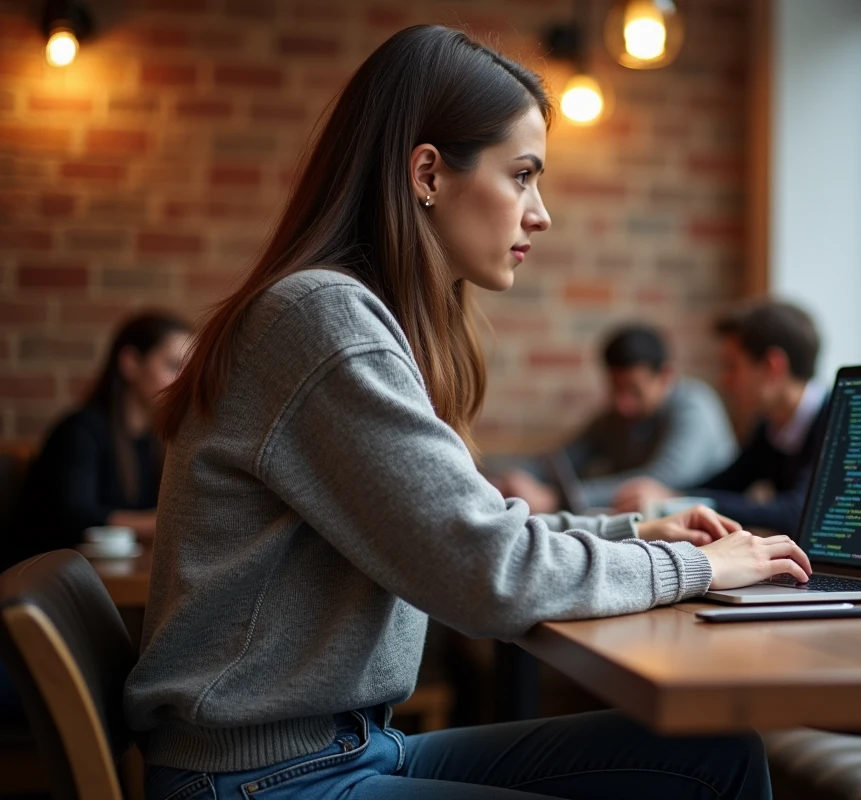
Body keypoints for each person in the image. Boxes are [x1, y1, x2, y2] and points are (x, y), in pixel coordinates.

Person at [126, 26, 810, 800]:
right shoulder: (322, 320)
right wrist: (695, 567)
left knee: (712, 759)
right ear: (427, 174)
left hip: (347, 752)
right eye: (522, 175)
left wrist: (634, 533)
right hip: (268, 780)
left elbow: (475, 535)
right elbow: (489, 574)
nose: (540, 213)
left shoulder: (341, 316)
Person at [613, 301, 828, 535]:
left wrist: (674, 499)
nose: (725, 380)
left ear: (772, 367)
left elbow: (798, 513)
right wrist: (674, 497)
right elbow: (729, 483)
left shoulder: (833, 423)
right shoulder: (770, 427)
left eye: (732, 366)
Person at [8, 312, 191, 564]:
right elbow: (77, 516)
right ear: (131, 363)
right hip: (49, 583)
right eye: (173, 366)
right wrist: (165, 523)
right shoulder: (79, 431)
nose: (184, 380)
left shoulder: (154, 441)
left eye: (188, 369)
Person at [498, 324, 736, 513]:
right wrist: (514, 476)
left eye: (635, 391)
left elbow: (659, 480)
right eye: (615, 388)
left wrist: (557, 499)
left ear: (665, 377)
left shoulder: (695, 408)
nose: (623, 403)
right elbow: (563, 460)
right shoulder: (613, 417)